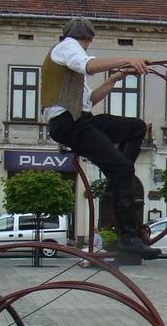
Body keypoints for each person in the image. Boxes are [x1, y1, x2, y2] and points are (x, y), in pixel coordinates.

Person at [40, 17, 159, 257]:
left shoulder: (68, 70)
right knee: (122, 169)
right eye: (88, 44)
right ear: (87, 39)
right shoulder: (68, 46)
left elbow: (90, 100)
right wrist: (129, 59)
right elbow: (88, 65)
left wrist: (115, 78)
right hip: (69, 123)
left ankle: (118, 175)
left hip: (80, 119)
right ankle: (128, 238)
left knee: (136, 128)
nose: (86, 47)